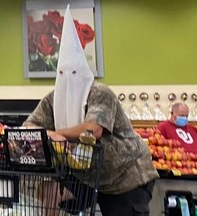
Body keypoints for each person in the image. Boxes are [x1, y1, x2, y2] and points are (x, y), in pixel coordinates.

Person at [22, 5, 159, 216]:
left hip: (126, 177)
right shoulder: (53, 99)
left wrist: (60, 135)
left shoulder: (100, 93)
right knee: (49, 192)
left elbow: (93, 130)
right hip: (88, 177)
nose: (69, 79)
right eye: (62, 74)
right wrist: (48, 134)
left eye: (74, 73)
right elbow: (28, 126)